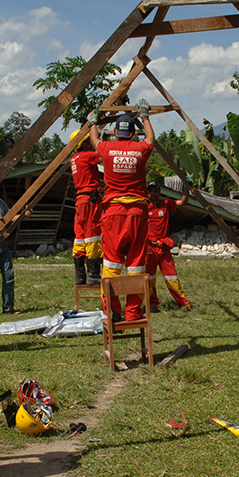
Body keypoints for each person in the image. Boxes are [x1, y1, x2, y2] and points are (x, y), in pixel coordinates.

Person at [88, 100, 156, 321]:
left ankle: (113, 310)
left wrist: (92, 122)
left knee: (111, 263)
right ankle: (133, 312)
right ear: (133, 133)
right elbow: (150, 139)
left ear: (116, 132)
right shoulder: (139, 149)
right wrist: (145, 115)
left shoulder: (107, 148)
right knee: (136, 264)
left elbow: (94, 139)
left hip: (113, 213)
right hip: (137, 213)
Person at [145, 180, 193, 310]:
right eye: (151, 191)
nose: (153, 193)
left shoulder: (166, 204)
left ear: (160, 193)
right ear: (147, 193)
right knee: (149, 278)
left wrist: (187, 189)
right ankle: (152, 304)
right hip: (149, 248)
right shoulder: (143, 207)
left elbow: (182, 203)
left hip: (164, 247)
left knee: (172, 276)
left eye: (156, 191)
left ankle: (183, 303)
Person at [70, 127, 104, 286]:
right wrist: (99, 140)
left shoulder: (74, 159)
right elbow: (104, 156)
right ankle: (94, 276)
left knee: (80, 236)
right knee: (92, 235)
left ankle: (80, 276)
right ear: (84, 143)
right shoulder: (86, 156)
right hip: (90, 200)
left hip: (80, 200)